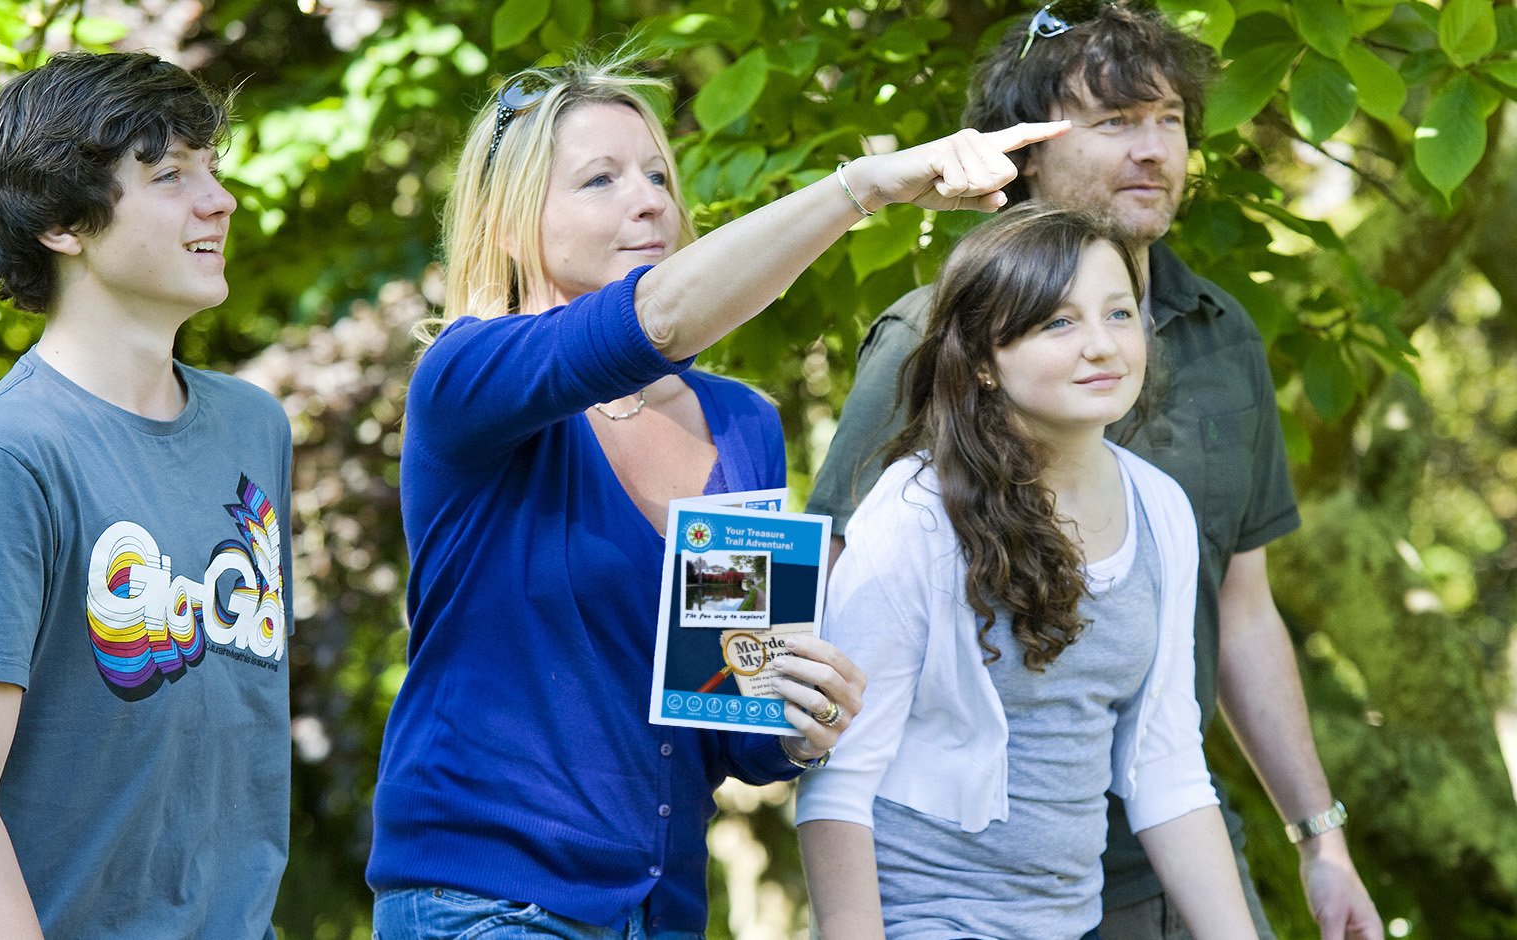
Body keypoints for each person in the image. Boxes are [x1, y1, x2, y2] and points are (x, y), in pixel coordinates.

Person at [365, 54, 1065, 938]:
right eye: (601, 180)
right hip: (486, 902)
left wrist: (801, 718)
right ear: (511, 223)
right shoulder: (468, 379)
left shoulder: (739, 426)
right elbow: (654, 321)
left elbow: (729, 711)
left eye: (658, 173)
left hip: (660, 913)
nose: (650, 199)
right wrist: (868, 187)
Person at [802, 4, 1382, 938]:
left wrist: (1320, 837)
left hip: (1166, 825)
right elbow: (838, 606)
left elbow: (1240, 607)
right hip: (952, 861)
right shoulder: (931, 337)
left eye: (1170, 121)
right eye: (1114, 123)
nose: (1152, 149)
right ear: (1023, 149)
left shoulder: (1221, 334)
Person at [0, 52, 293, 939]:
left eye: (211, 168)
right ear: (65, 221)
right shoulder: (6, 458)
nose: (218, 199)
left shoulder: (255, 428)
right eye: (170, 175)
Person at [798, 205, 1259, 940]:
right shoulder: (917, 513)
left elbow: (1166, 770)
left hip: (1072, 924)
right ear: (983, 358)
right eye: (1059, 323)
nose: (1103, 346)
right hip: (925, 921)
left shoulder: (1160, 507)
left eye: (1118, 313)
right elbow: (837, 781)